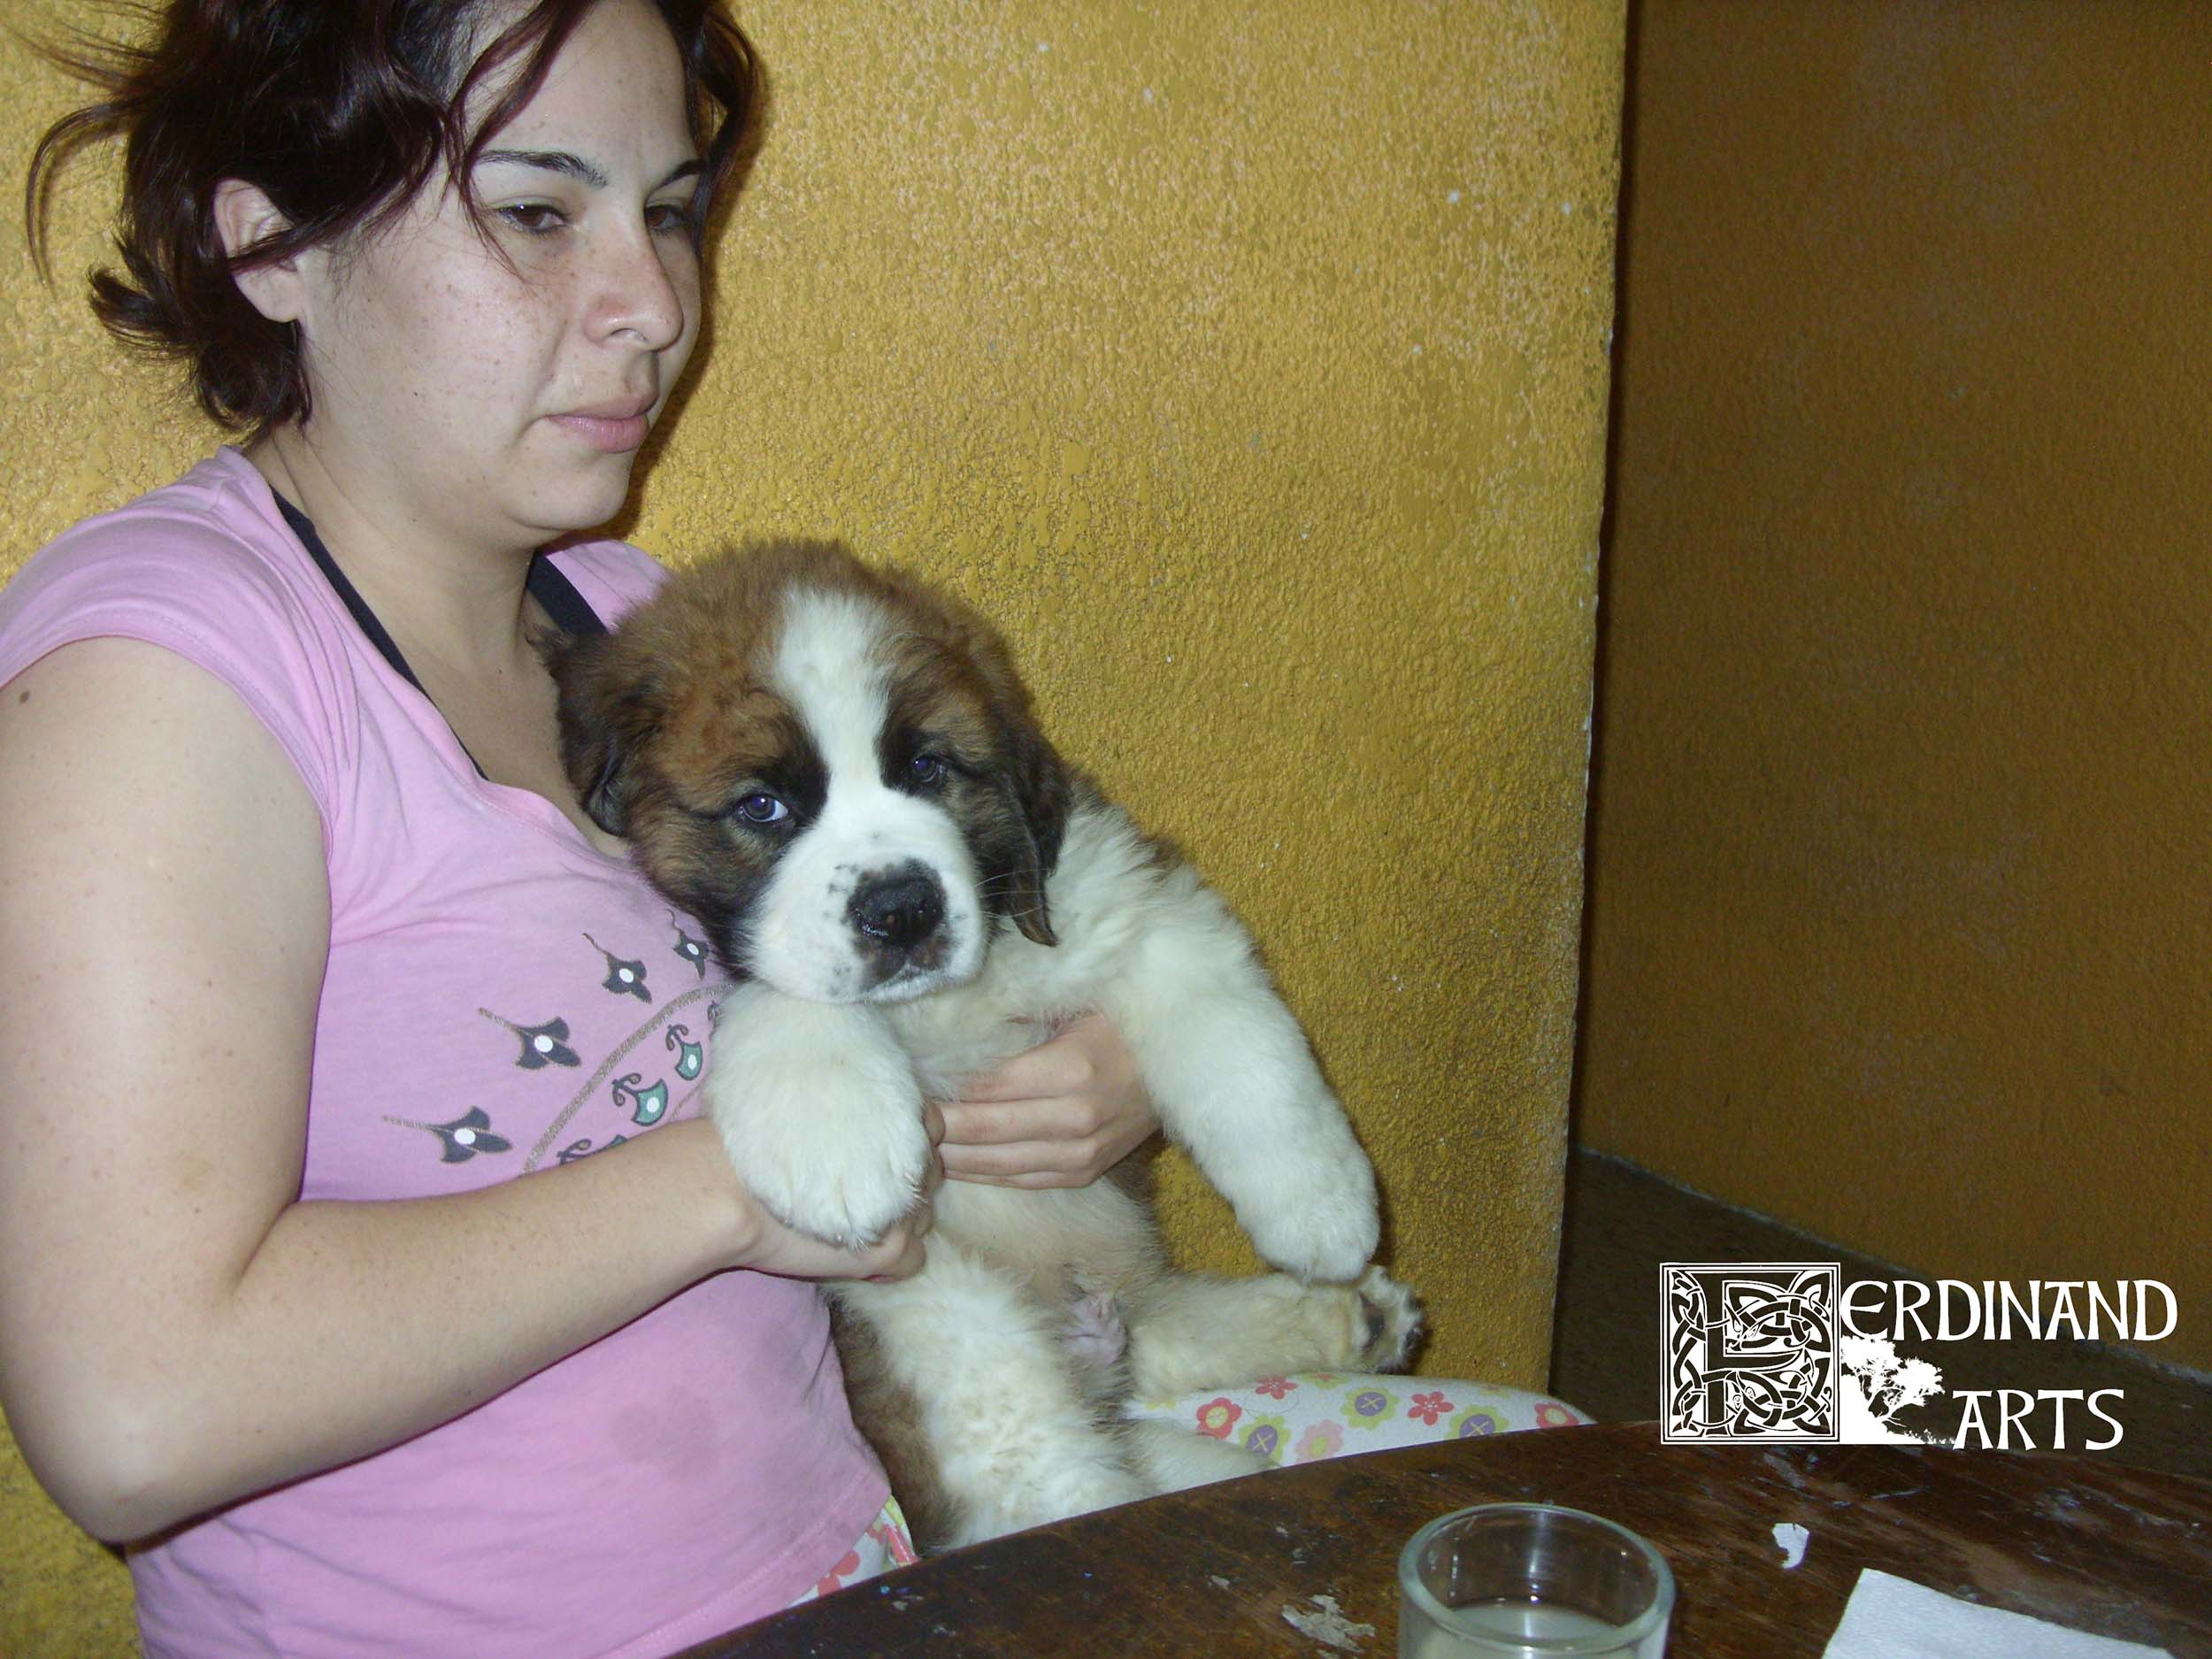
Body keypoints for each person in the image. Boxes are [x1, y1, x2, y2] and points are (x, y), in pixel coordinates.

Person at [0, 3, 1159, 1654]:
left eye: (669, 211)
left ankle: (1698, 1388)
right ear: (268, 245)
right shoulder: (164, 675)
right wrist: (730, 1189)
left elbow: (851, 994)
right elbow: (131, 1416)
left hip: (864, 1561)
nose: (654, 306)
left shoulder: (631, 623)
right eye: (539, 211)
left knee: (1559, 1485)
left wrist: (1067, 1073)